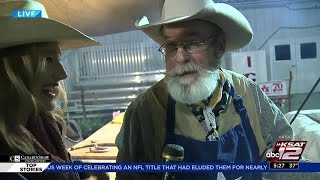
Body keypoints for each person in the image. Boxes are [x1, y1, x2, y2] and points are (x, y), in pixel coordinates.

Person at [115, 0, 320, 179]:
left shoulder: (248, 92)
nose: (180, 58)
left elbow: (281, 155)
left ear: (219, 47)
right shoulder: (145, 111)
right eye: (171, 46)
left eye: (192, 42)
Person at [0, 0, 102, 179]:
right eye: (47, 60)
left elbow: (43, 164)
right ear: (10, 69)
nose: (62, 74)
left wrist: (85, 171)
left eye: (58, 59)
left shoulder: (37, 125)